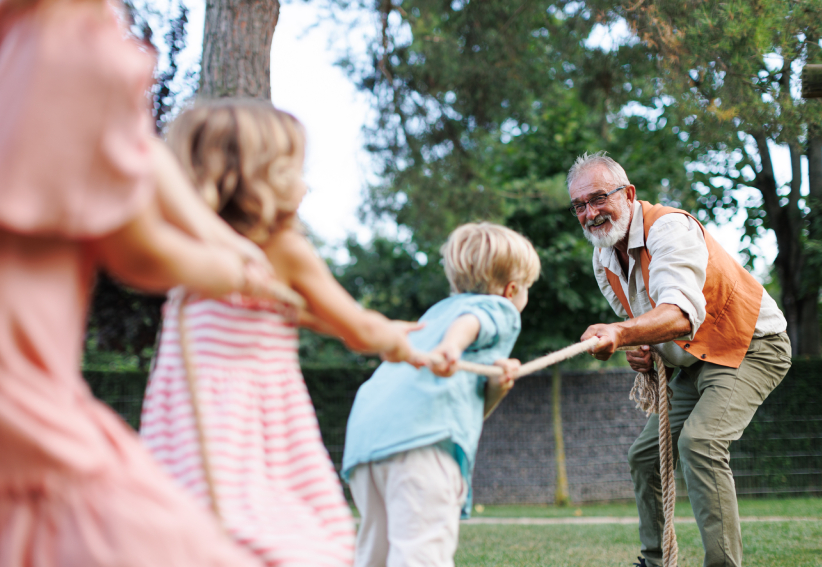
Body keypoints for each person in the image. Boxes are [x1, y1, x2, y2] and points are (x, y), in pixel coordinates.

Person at [0, 1, 285, 565]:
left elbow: (143, 154)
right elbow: (139, 251)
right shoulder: (71, 47)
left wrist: (231, 245)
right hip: (22, 399)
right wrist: (233, 274)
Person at [140, 99, 422, 567]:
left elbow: (302, 317)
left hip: (184, 413)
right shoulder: (284, 249)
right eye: (295, 169)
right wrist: (395, 339)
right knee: (289, 530)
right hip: (251, 417)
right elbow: (356, 328)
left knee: (196, 530)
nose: (307, 185)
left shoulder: (192, 246)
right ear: (260, 178)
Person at [569, 152, 791, 567]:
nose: (590, 213)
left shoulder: (668, 228)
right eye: (580, 205)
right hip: (692, 361)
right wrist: (640, 345)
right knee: (643, 457)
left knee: (701, 443)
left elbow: (678, 314)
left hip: (751, 346)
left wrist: (620, 334)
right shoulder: (603, 260)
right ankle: (656, 561)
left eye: (599, 198)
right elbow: (647, 326)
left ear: (629, 194)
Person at [341, 222, 540, 567]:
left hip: (367, 440)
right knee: (420, 552)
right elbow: (473, 320)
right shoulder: (497, 308)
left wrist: (495, 388)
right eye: (527, 289)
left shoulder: (434, 314)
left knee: (376, 554)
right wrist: (452, 346)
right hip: (421, 441)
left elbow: (469, 406)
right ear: (511, 289)